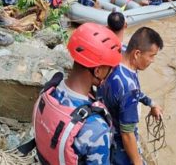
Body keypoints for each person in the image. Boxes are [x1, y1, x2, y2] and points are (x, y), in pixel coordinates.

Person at [26, 23, 122, 165]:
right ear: (98, 71)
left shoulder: (49, 92)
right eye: (110, 68)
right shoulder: (96, 127)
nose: (111, 72)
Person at [99, 27, 164, 165]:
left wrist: (151, 103)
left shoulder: (118, 57)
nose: (152, 61)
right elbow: (127, 135)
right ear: (137, 54)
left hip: (106, 122)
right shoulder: (129, 89)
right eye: (151, 56)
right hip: (118, 144)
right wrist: (137, 162)